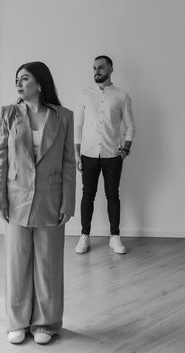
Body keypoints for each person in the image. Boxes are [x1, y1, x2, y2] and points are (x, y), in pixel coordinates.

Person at [0, 61, 76, 345]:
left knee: (48, 264)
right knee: (17, 264)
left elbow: (68, 162)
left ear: (40, 83)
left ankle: (46, 323)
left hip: (51, 200)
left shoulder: (64, 116)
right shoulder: (8, 114)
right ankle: (17, 322)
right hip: (16, 199)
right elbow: (0, 159)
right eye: (17, 78)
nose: (18, 83)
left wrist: (69, 201)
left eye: (25, 78)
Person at [74, 55, 135, 255]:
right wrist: (77, 153)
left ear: (110, 69)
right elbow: (78, 126)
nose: (96, 71)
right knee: (87, 195)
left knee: (112, 196)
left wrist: (125, 150)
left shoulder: (121, 96)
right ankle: (84, 237)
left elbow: (130, 126)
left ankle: (115, 237)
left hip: (112, 154)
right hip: (88, 154)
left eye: (101, 67)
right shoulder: (84, 95)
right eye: (93, 68)